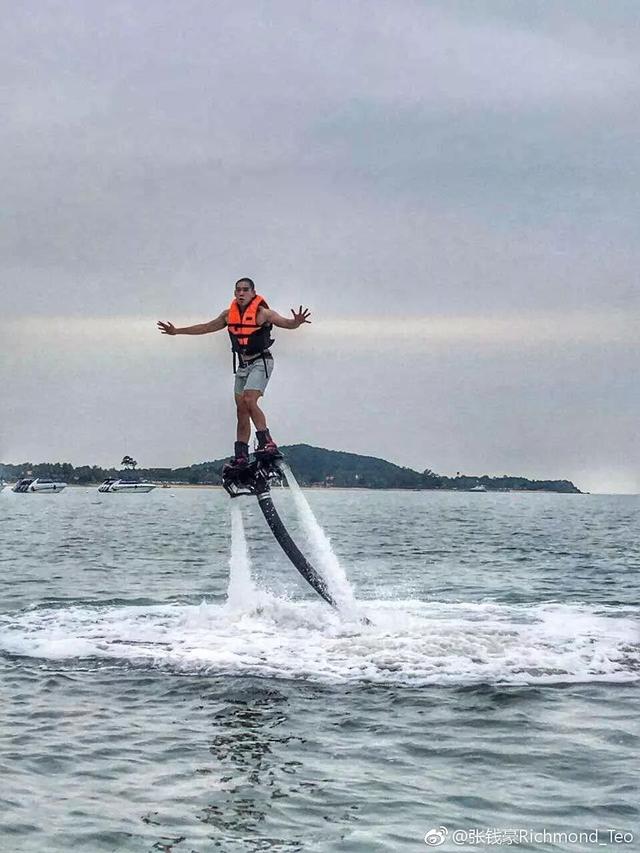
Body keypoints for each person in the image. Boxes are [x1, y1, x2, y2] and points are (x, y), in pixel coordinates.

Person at [157, 278, 311, 468]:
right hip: (243, 366)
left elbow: (286, 323)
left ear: (253, 293)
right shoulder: (228, 315)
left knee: (249, 400)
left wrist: (296, 322)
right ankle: (241, 455)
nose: (241, 293)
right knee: (241, 409)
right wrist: (177, 331)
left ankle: (267, 442)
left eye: (245, 290)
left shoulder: (263, 314)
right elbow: (206, 327)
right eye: (238, 290)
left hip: (261, 362)